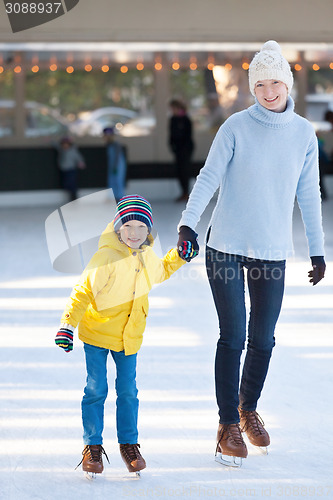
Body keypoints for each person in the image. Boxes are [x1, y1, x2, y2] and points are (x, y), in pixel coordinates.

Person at [176, 41, 326, 467]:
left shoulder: (302, 135)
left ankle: (247, 409)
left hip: (271, 251)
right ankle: (227, 424)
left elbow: (309, 196)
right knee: (233, 335)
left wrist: (317, 250)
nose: (268, 90)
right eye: (260, 83)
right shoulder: (236, 127)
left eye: (275, 81)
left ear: (288, 83)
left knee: (263, 339)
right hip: (224, 246)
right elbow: (208, 177)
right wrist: (189, 222)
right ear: (252, 87)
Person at [54, 195, 196, 477]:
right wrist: (67, 326)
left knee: (128, 392)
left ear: (149, 231)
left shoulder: (146, 255)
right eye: (128, 226)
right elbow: (83, 292)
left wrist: (179, 256)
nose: (134, 233)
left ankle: (129, 444)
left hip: (129, 336)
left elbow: (161, 271)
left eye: (141, 228)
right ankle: (92, 447)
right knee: (96, 391)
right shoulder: (104, 257)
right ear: (118, 228)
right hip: (97, 334)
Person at [169, 99, 194, 202]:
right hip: (177, 150)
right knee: (179, 171)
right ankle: (183, 192)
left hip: (185, 149)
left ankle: (186, 193)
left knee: (185, 170)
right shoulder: (172, 119)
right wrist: (172, 146)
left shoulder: (186, 119)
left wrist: (185, 148)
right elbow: (171, 135)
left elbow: (188, 136)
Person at [56, 136, 86, 201]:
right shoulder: (62, 150)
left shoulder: (73, 150)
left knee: (72, 183)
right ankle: (71, 196)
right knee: (66, 183)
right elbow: (56, 145)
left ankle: (74, 198)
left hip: (71, 169)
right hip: (64, 170)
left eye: (66, 144)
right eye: (63, 144)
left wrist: (81, 162)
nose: (65, 145)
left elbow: (78, 157)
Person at [103, 126, 127, 202]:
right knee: (112, 182)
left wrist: (116, 166)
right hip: (112, 167)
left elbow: (117, 156)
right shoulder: (109, 145)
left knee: (118, 182)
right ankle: (114, 198)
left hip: (117, 167)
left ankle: (120, 199)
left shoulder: (116, 145)